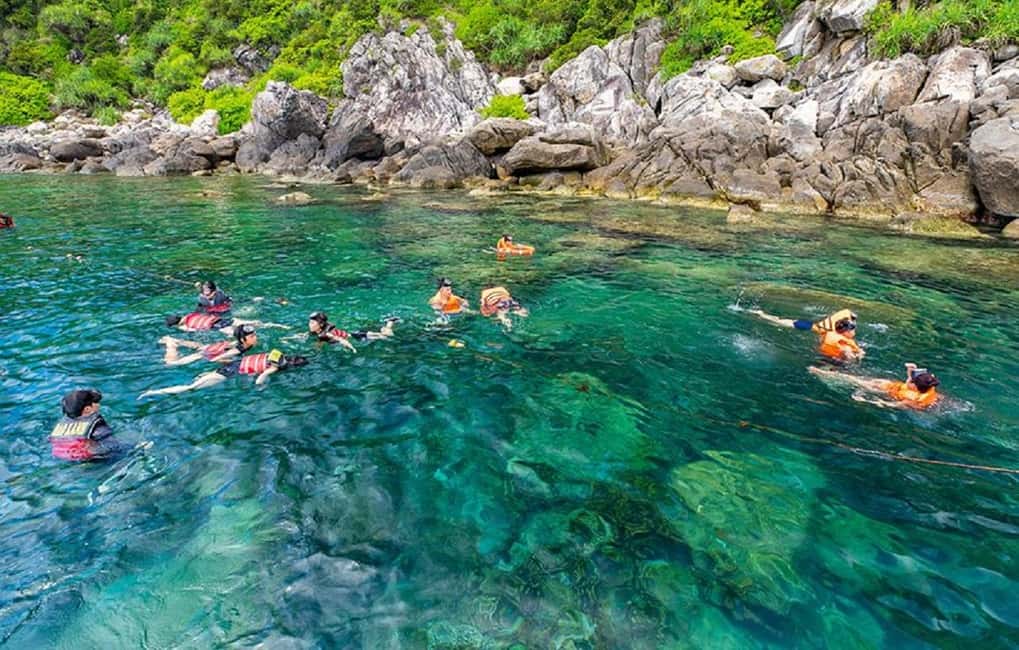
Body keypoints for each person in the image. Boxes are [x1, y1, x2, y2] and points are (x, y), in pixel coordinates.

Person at [138, 349, 309, 397]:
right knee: (190, 388)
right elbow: (261, 378)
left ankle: (205, 374)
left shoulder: (277, 354)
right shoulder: (276, 367)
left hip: (234, 364)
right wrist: (260, 389)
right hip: (230, 371)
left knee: (200, 380)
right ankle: (153, 392)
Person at [748, 307, 864, 362]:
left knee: (783, 322)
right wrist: (859, 355)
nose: (855, 329)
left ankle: (761, 314)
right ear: (846, 331)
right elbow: (849, 357)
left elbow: (850, 314)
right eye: (853, 328)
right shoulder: (844, 344)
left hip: (810, 327)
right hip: (827, 356)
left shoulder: (828, 327)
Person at [809, 363, 942, 409]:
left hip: (888, 392)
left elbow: (890, 404)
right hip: (891, 386)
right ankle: (828, 373)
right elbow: (910, 381)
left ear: (915, 387)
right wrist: (911, 370)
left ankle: (824, 373)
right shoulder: (928, 385)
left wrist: (868, 401)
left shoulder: (913, 401)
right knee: (866, 381)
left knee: (860, 382)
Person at [49, 388, 120, 461]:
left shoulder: (63, 423)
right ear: (87, 409)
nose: (98, 404)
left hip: (60, 455)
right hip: (89, 456)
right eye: (95, 402)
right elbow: (110, 443)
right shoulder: (95, 421)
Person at [157, 323, 259, 366]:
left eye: (254, 335)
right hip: (207, 353)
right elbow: (214, 359)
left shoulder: (244, 343)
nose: (255, 337)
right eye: (252, 337)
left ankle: (177, 340)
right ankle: (171, 345)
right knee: (172, 363)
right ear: (243, 339)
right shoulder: (236, 351)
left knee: (200, 346)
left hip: (217, 346)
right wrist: (229, 361)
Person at [307, 311, 397, 353]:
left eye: (312, 323)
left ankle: (390, 322)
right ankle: (388, 322)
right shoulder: (319, 332)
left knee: (387, 336)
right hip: (356, 333)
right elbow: (308, 336)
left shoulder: (327, 334)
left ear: (321, 324)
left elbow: (342, 340)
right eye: (309, 322)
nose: (309, 325)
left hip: (359, 336)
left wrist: (352, 348)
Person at [164, 311, 286, 335]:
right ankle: (280, 326)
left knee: (241, 332)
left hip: (217, 326)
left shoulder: (185, 327)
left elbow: (197, 330)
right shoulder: (191, 314)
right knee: (255, 323)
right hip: (222, 320)